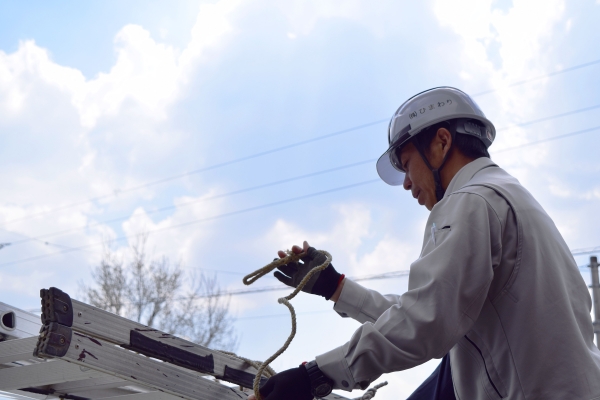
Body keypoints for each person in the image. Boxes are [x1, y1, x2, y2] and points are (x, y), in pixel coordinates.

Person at [247, 87, 600, 400]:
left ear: (441, 143)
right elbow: (429, 311)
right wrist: (336, 287)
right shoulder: (507, 196)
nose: (406, 183)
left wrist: (313, 376)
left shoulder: (471, 201)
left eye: (406, 164)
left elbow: (424, 321)